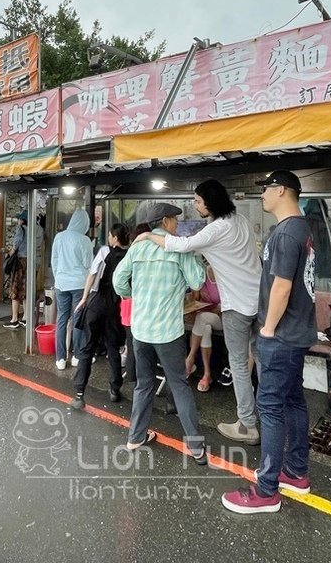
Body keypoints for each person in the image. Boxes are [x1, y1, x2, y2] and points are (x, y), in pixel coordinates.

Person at [137, 179, 263, 445]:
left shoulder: (216, 228)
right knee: (262, 359)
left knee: (239, 365)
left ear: (210, 201)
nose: (194, 206)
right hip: (259, 299)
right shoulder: (238, 220)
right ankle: (270, 417)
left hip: (237, 305)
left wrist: (149, 236)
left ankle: (247, 425)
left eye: (197, 201)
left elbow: (182, 246)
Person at [223, 170, 315, 514]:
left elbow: (282, 286)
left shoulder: (287, 232)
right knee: (293, 402)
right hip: (297, 332)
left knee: (271, 408)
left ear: (282, 191)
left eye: (266, 189)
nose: (262, 195)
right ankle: (296, 472)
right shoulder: (301, 228)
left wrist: (267, 330)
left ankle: (266, 490)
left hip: (281, 335)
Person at [113, 202, 207, 464]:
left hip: (140, 332)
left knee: (144, 385)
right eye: (175, 220)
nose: (177, 224)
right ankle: (196, 448)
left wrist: (135, 295)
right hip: (168, 333)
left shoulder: (138, 247)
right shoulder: (179, 249)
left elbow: (118, 281)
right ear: (165, 222)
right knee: (179, 385)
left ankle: (135, 437)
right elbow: (198, 281)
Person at [70, 223, 130, 410]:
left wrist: (84, 298)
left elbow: (92, 274)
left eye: (111, 236)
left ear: (114, 238)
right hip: (115, 306)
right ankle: (114, 389)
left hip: (97, 304)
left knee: (87, 347)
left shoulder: (104, 251)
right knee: (113, 348)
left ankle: (80, 394)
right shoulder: (129, 255)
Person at [51, 208, 93, 370]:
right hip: (79, 285)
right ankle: (76, 356)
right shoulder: (84, 240)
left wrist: (58, 277)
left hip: (61, 284)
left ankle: (60, 358)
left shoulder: (59, 237)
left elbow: (54, 261)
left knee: (61, 320)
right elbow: (88, 265)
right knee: (77, 320)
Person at [184, 266, 223, 394]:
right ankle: (207, 374)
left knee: (202, 317)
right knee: (205, 328)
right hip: (205, 317)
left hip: (222, 318)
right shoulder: (203, 274)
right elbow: (196, 298)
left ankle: (190, 358)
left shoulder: (224, 273)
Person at [4, 211, 33, 329]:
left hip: (20, 261)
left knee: (15, 289)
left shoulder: (21, 229)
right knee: (25, 290)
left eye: (20, 219)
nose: (18, 221)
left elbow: (16, 243)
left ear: (23, 220)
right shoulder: (37, 229)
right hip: (30, 261)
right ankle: (25, 318)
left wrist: (10, 253)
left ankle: (14, 319)